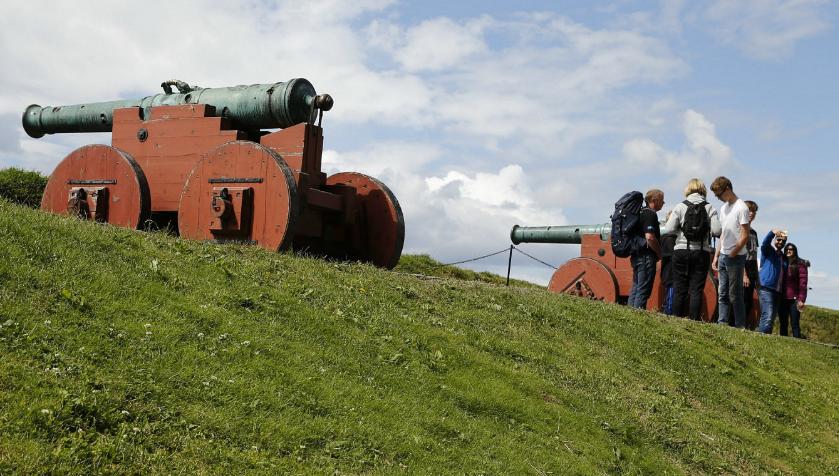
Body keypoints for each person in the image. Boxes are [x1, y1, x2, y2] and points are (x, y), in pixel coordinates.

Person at [663, 178, 721, 321]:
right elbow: (717, 230)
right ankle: (694, 321)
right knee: (696, 290)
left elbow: (669, 229)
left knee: (679, 288)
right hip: (701, 252)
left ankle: (676, 320)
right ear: (703, 190)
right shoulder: (709, 207)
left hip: (681, 250)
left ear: (688, 190)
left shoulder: (680, 206)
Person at [711, 176, 750, 329]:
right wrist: (717, 255)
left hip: (736, 256)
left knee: (735, 294)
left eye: (719, 194)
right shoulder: (723, 208)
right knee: (722, 292)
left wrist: (733, 252)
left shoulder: (742, 207)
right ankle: (722, 323)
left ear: (727, 189)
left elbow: (745, 235)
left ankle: (740, 326)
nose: (718, 198)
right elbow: (723, 234)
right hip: (723, 255)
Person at [628, 189, 664, 309]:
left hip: (637, 254)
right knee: (643, 290)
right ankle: (637, 316)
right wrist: (659, 253)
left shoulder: (641, 212)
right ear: (654, 200)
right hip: (646, 256)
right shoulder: (650, 214)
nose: (663, 202)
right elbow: (650, 237)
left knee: (636, 287)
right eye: (662, 200)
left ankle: (629, 315)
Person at [757, 230, 787, 334]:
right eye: (779, 240)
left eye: (783, 241)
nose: (780, 243)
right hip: (766, 288)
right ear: (774, 240)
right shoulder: (768, 251)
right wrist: (772, 232)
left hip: (778, 291)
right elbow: (765, 243)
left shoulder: (783, 258)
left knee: (770, 318)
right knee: (768, 316)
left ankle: (763, 338)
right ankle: (762, 339)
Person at [779, 242, 808, 338]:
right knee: (783, 323)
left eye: (790, 249)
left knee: (794, 323)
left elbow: (803, 284)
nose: (788, 251)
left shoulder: (801, 265)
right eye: (786, 249)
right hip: (782, 298)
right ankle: (783, 343)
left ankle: (797, 342)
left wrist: (801, 300)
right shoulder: (783, 263)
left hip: (794, 299)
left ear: (795, 251)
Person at [742, 201, 760, 328]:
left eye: (754, 211)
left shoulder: (753, 232)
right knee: (741, 299)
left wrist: (757, 275)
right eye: (749, 210)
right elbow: (739, 253)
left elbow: (754, 254)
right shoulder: (740, 229)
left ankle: (745, 326)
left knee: (748, 300)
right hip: (743, 266)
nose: (752, 213)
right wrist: (744, 274)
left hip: (752, 267)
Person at [659, 213, 677, 315]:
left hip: (667, 271)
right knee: (671, 293)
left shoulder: (664, 237)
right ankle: (669, 313)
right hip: (671, 272)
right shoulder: (670, 239)